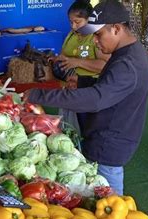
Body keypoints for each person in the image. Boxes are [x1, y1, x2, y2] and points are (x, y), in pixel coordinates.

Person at [25, 0, 148, 195]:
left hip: (109, 145)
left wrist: (38, 94)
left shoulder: (128, 63)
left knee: (109, 206)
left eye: (99, 35)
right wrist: (82, 81)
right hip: (106, 135)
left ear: (116, 29)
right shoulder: (129, 53)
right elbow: (111, 87)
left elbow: (95, 99)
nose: (95, 41)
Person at [53, 0, 110, 132]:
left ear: (88, 20)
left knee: (87, 128)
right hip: (68, 88)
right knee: (69, 129)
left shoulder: (95, 37)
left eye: (77, 22)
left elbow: (106, 65)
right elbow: (64, 56)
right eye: (71, 22)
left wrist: (77, 62)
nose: (73, 26)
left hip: (88, 90)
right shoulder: (71, 35)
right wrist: (58, 60)